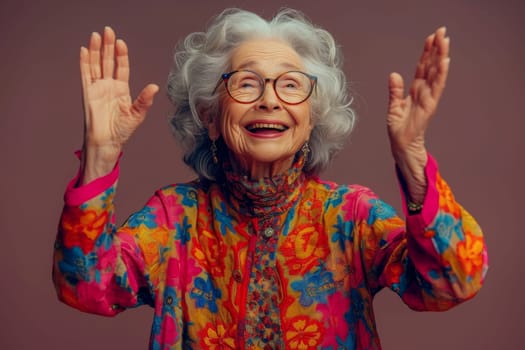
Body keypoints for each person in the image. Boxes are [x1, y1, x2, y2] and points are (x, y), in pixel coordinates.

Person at [52, 8, 488, 350]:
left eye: (291, 85)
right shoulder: (174, 219)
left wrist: (412, 158)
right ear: (210, 117)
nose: (269, 101)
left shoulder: (349, 216)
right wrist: (99, 157)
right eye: (246, 84)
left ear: (311, 116)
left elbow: (455, 281)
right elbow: (87, 286)